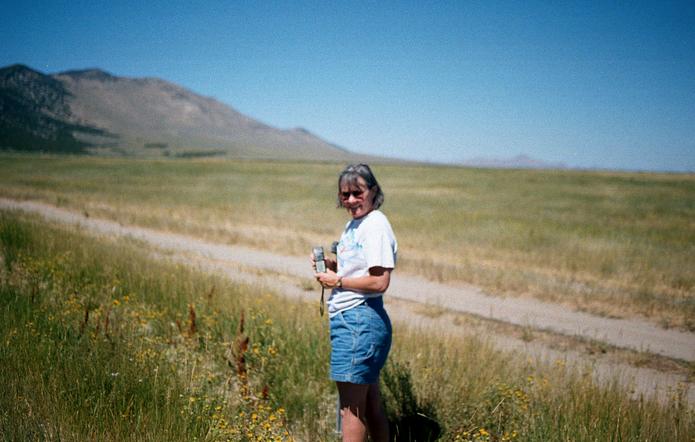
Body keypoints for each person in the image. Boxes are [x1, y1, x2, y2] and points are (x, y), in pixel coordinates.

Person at [313, 163, 397, 442]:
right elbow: (362, 272)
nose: (350, 200)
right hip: (355, 319)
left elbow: (379, 281)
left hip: (358, 322)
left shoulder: (375, 226)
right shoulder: (355, 225)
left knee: (350, 411)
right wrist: (337, 268)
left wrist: (337, 282)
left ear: (373, 191)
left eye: (357, 193)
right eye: (344, 195)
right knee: (369, 405)